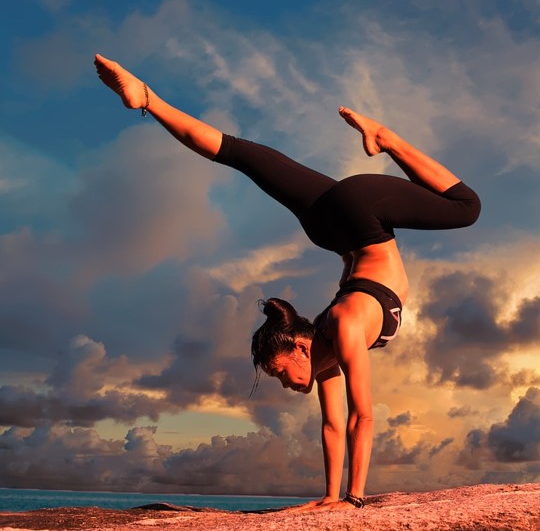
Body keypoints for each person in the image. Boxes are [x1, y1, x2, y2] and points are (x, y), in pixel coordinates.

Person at [93, 54, 480, 512]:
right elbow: (334, 425)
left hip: (363, 216)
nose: (284, 384)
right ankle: (148, 99)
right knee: (238, 153)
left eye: (279, 372)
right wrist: (329, 499)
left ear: (300, 346)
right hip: (330, 225)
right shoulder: (327, 350)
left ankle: (385, 138)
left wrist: (354, 500)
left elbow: (364, 415)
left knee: (466, 207)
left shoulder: (343, 325)